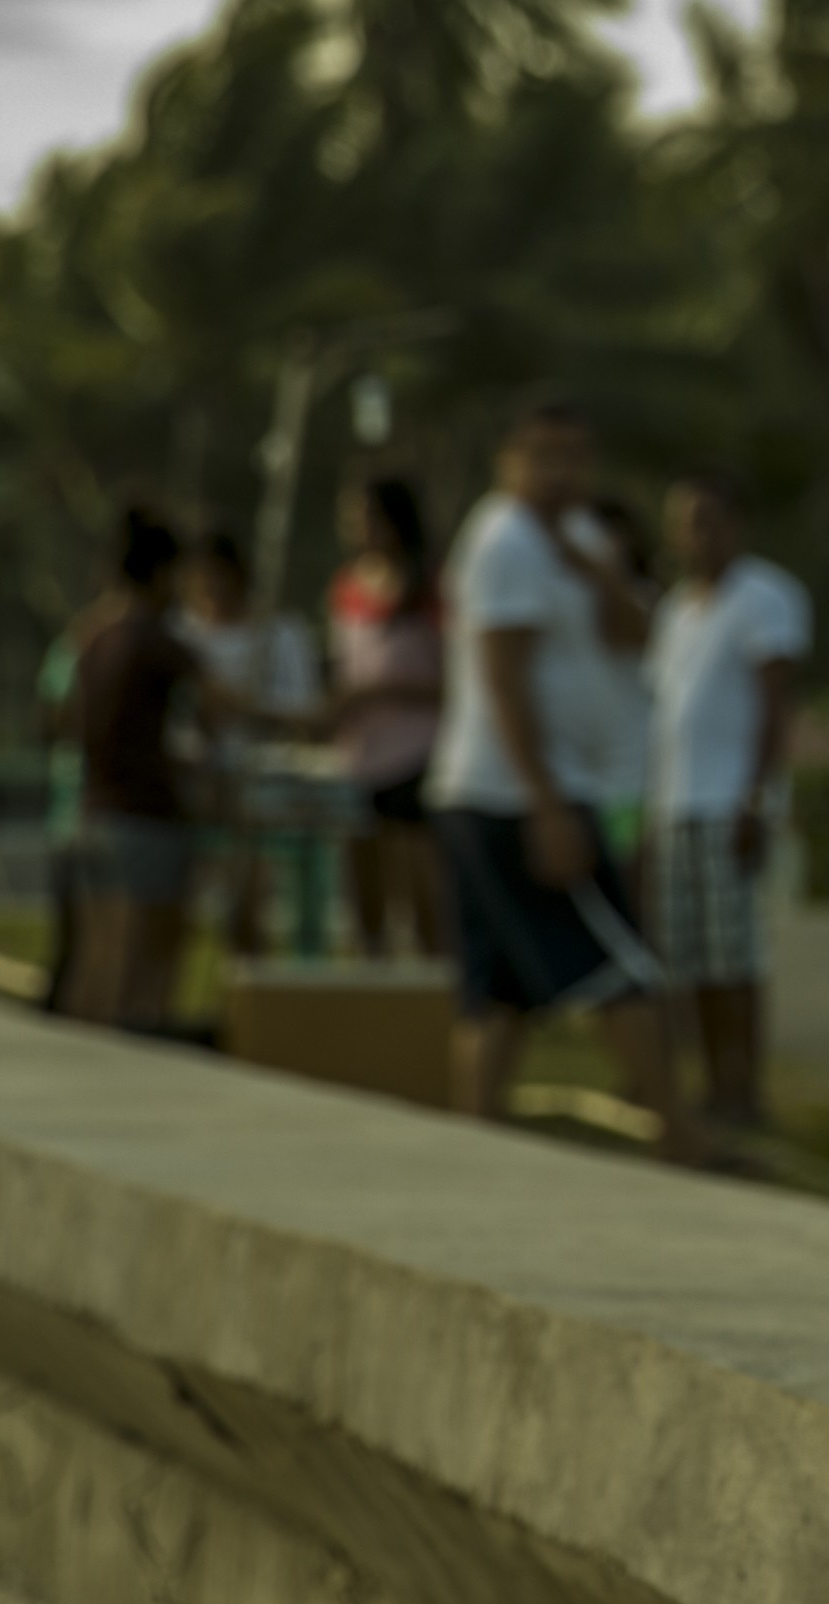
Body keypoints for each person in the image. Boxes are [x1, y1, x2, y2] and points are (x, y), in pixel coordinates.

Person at [429, 396, 703, 1164]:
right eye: (542, 457)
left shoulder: (580, 538)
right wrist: (547, 805)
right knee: (619, 966)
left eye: (573, 458)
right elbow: (503, 681)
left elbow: (638, 635)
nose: (559, 474)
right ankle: (679, 1136)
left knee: (502, 987)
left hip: (518, 792)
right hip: (513, 794)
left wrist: (597, 571)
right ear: (509, 461)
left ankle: (476, 1136)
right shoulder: (503, 541)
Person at [643, 473, 813, 1141]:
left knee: (735, 958)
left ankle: (746, 1089)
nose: (696, 536)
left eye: (709, 520)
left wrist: (756, 796)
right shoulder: (675, 611)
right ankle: (713, 1085)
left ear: (735, 524)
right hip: (675, 805)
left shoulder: (764, 597)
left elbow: (775, 705)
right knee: (691, 962)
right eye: (685, 523)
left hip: (728, 804)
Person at [58, 505, 218, 1032]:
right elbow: (221, 704)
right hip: (144, 820)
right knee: (138, 975)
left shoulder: (92, 635)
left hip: (93, 813)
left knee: (94, 967)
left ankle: (77, 1069)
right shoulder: (153, 640)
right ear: (162, 572)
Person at [174, 523, 319, 960]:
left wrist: (247, 709)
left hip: (261, 786)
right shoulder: (178, 634)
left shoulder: (280, 632)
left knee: (249, 902)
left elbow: (306, 713)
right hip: (197, 785)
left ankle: (250, 975)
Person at [326, 474, 450, 960]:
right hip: (360, 758)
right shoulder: (346, 586)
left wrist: (385, 690)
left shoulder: (432, 587)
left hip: (419, 758)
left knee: (423, 894)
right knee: (365, 893)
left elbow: (456, 683)